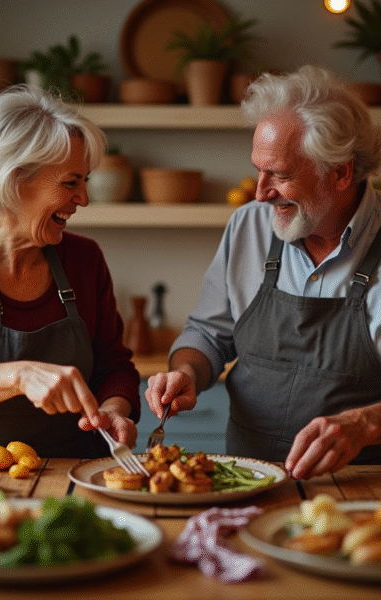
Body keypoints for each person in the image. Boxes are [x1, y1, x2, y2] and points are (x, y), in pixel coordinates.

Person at [145, 65, 381, 480]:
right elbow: (209, 334)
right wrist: (186, 372)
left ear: (341, 172)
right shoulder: (249, 226)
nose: (260, 192)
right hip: (246, 478)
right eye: (258, 169)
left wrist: (364, 425)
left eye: (281, 175)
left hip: (360, 488)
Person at [0, 84, 140, 457]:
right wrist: (18, 375)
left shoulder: (85, 259)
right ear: (16, 178)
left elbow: (114, 365)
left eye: (85, 181)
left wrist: (114, 410)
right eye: (71, 182)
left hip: (78, 473)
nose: (83, 199)